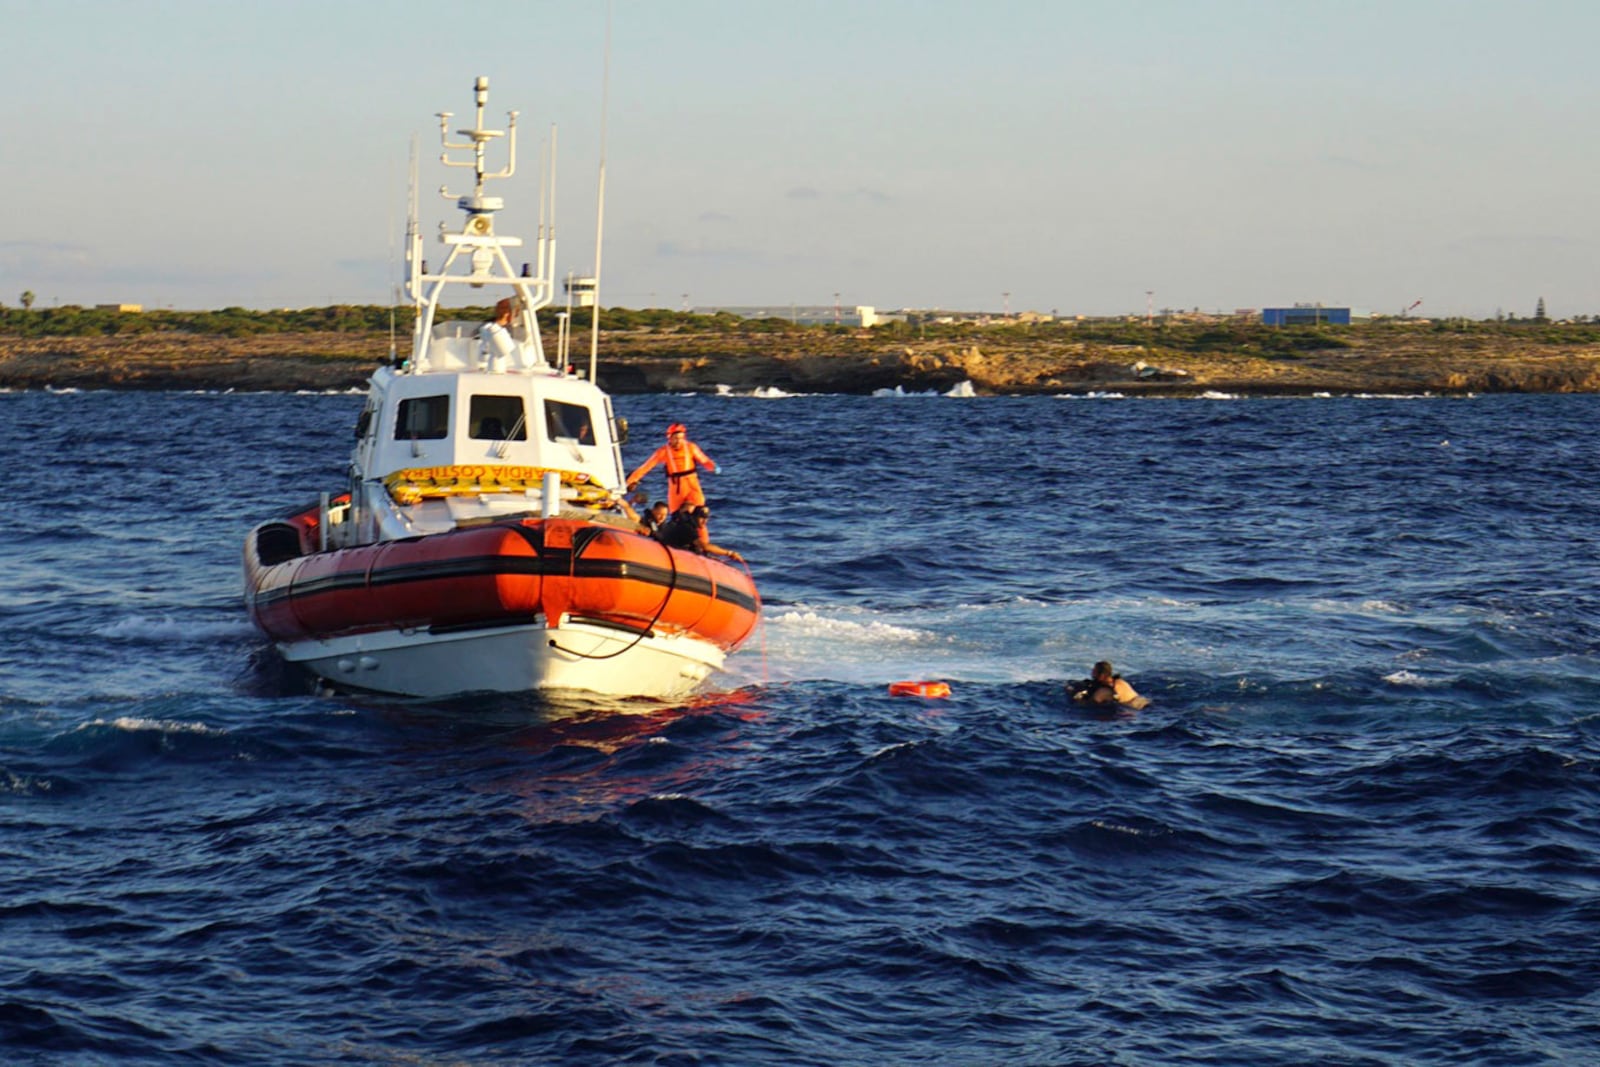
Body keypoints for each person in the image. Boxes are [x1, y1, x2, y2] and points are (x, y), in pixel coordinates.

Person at [626, 423, 717, 512]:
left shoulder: (691, 447)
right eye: (676, 438)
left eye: (681, 438)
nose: (678, 441)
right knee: (675, 513)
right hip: (676, 486)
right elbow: (646, 467)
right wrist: (629, 481)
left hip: (692, 483)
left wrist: (713, 467)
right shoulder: (663, 451)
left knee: (700, 511)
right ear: (669, 438)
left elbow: (703, 459)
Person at [1068, 661, 1149, 709]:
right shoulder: (1121, 682)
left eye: (1094, 672)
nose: (1092, 674)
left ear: (1102, 675)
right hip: (1142, 702)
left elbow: (1087, 705)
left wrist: (1074, 696)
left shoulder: (1103, 691)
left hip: (1128, 712)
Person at [479, 297, 517, 366]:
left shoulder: (516, 328)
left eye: (506, 308)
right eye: (502, 308)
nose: (504, 310)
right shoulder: (487, 325)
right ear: (496, 310)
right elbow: (476, 339)